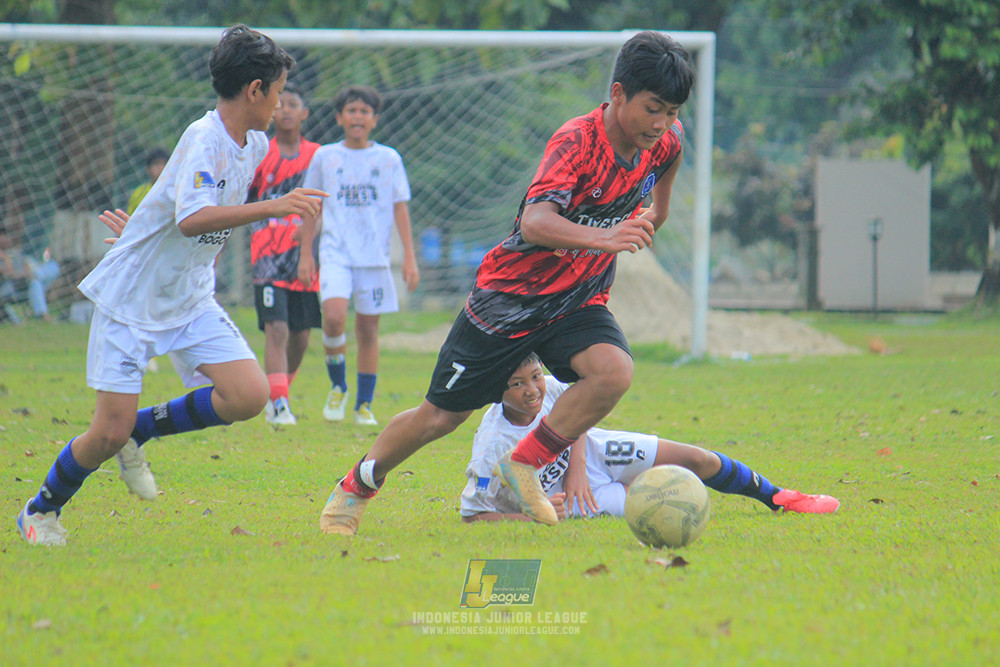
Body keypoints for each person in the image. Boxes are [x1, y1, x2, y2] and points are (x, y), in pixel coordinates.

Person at [319, 31, 695, 536]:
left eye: (672, 111)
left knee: (613, 372)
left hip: (576, 299)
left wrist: (646, 222)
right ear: (620, 93)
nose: (662, 123)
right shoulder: (577, 141)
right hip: (509, 300)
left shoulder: (667, 143)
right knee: (440, 418)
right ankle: (357, 484)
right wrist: (605, 238)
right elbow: (537, 223)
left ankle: (524, 464)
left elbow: (657, 209)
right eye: (654, 108)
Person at [15, 24, 327, 546]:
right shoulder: (203, 138)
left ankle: (143, 429)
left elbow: (188, 216)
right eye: (275, 92)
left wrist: (143, 232)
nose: (279, 104)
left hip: (188, 296)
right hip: (132, 300)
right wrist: (273, 207)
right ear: (254, 90)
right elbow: (193, 218)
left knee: (248, 395)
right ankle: (40, 510)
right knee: (104, 433)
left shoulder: (251, 144)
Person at [461, 354, 840, 522]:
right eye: (517, 383)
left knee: (698, 459)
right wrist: (530, 518)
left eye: (536, 375)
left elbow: (579, 409)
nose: (533, 390)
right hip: (569, 501)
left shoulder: (552, 388)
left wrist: (577, 466)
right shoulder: (493, 446)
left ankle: (778, 497)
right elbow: (474, 517)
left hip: (595, 452)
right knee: (655, 509)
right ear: (497, 391)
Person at [299, 85, 419, 426]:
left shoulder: (388, 159)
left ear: (374, 120)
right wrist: (306, 254)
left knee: (368, 331)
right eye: (351, 110)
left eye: (364, 111)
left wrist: (409, 257)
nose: (357, 117)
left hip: (375, 258)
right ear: (339, 117)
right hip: (336, 253)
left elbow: (400, 209)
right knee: (334, 317)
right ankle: (338, 387)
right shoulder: (325, 156)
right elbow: (310, 205)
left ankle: (364, 404)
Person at [247, 81, 322, 425]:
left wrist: (307, 250)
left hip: (303, 258)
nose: (287, 109)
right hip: (266, 257)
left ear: (305, 114)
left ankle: (279, 392)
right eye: (282, 103)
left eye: (294, 104)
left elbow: (321, 210)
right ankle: (279, 404)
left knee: (301, 334)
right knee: (276, 328)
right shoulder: (261, 151)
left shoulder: (317, 156)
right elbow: (245, 203)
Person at [0, 227, 59, 323]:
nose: (5, 239)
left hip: (24, 281)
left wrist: (27, 273)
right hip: (9, 286)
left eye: (6, 236)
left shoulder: (16, 253)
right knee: (35, 282)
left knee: (52, 267)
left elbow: (26, 266)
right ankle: (42, 314)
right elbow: (8, 273)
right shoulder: (3, 256)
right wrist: (6, 259)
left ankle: (37, 275)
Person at [126, 147, 170, 215]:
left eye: (165, 164)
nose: (161, 168)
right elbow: (130, 218)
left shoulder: (177, 191)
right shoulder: (139, 193)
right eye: (156, 164)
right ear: (148, 169)